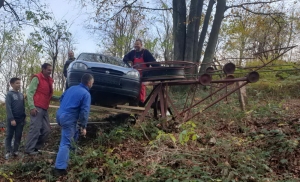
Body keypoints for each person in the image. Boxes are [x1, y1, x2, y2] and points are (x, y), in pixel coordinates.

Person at [53, 73, 94, 176]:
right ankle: (59, 168)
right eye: (92, 83)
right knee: (66, 142)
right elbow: (84, 112)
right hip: (68, 118)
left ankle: (71, 156)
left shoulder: (71, 88)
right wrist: (83, 126)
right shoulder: (86, 94)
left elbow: (61, 98)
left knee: (73, 134)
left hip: (60, 115)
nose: (92, 84)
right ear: (89, 83)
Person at [25, 63, 54, 155]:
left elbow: (48, 95)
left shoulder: (49, 80)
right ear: (43, 69)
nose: (50, 71)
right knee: (35, 129)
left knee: (46, 130)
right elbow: (30, 93)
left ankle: (36, 147)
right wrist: (32, 107)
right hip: (37, 107)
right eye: (48, 70)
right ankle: (29, 149)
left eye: (51, 70)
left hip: (45, 108)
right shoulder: (37, 78)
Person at [123, 39, 158, 105]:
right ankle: (132, 103)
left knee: (141, 86)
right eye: (135, 44)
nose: (136, 46)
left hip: (144, 76)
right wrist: (129, 62)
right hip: (135, 75)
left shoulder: (146, 53)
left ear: (141, 45)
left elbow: (154, 62)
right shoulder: (132, 53)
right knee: (132, 87)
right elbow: (125, 59)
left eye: (138, 44)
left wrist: (159, 70)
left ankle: (141, 103)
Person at [5, 77, 26, 159]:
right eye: (17, 83)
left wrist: (24, 116)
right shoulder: (9, 94)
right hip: (12, 119)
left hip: (20, 119)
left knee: (18, 135)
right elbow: (8, 107)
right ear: (12, 84)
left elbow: (23, 107)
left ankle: (15, 151)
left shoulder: (21, 95)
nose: (19, 84)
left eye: (19, 83)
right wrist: (11, 119)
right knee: (9, 135)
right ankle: (8, 151)